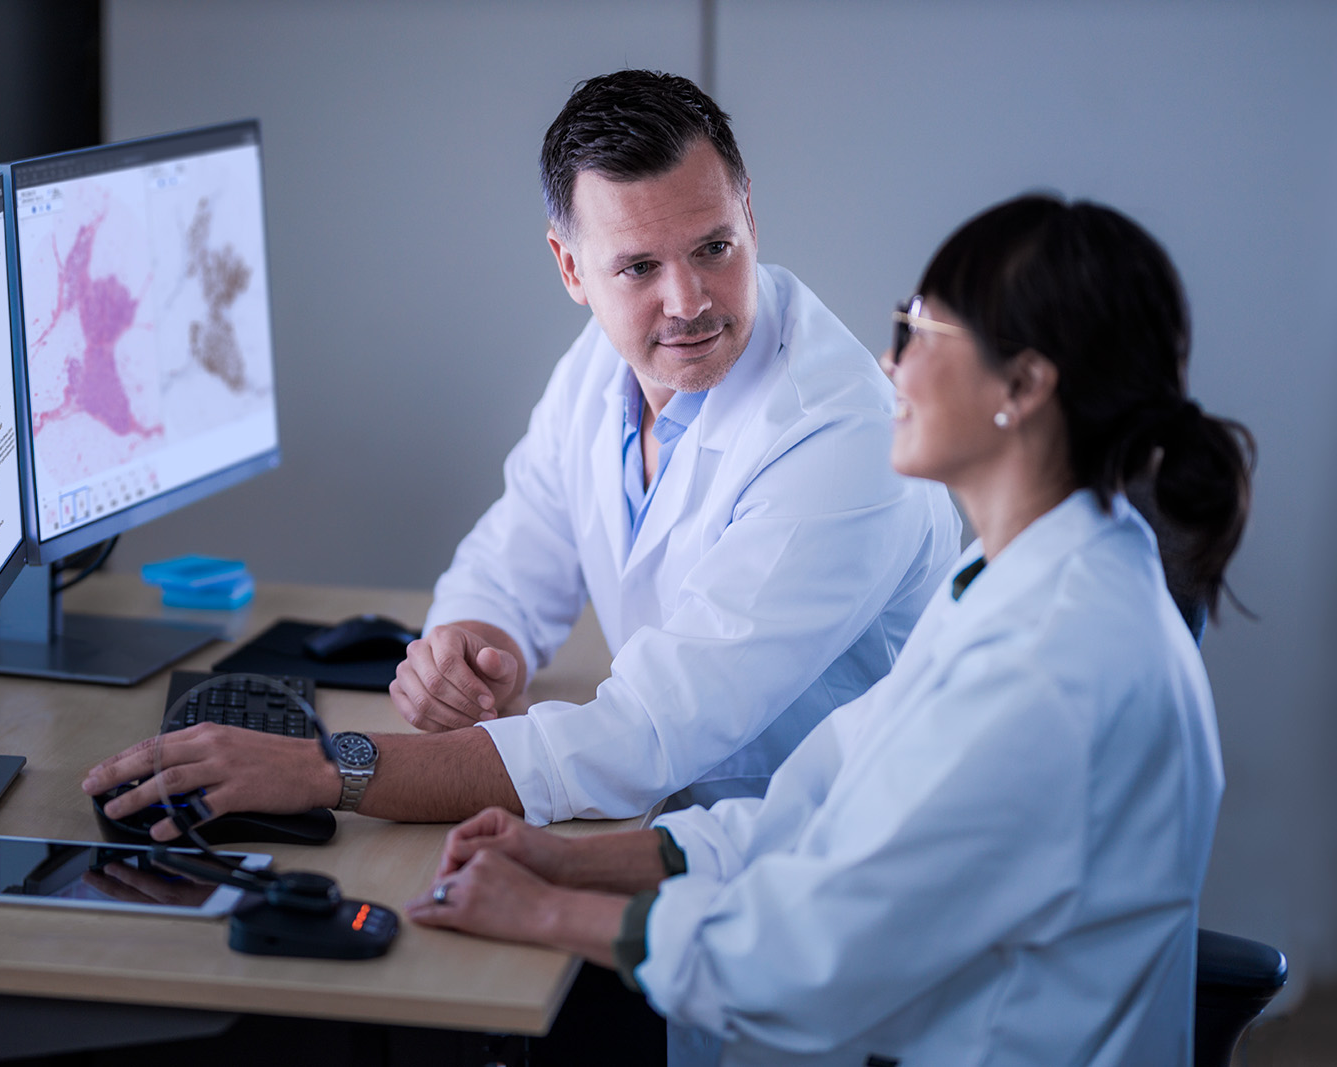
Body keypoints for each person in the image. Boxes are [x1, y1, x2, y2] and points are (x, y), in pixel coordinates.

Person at [405, 194, 1254, 1066]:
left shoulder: (1055, 660)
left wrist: (544, 908)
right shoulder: (1010, 579)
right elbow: (811, 804)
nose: (891, 366)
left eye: (922, 331)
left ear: (1025, 386)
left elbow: (817, 959)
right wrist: (569, 864)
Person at [83, 70, 958, 829]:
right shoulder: (606, 365)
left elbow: (644, 733)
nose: (687, 301)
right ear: (571, 269)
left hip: (812, 866)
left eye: (713, 248)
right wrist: (467, 649)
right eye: (637, 268)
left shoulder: (842, 438)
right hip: (678, 831)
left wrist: (327, 769)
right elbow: (516, 553)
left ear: (750, 214)